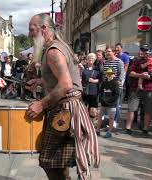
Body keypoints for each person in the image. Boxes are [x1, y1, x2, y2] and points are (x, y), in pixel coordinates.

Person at [26, 13, 99, 180]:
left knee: (49, 160)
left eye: (32, 30)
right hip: (68, 108)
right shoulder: (60, 46)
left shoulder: (53, 51)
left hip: (64, 109)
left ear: (44, 29)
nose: (30, 34)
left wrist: (41, 105)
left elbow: (66, 84)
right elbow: (64, 79)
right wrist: (42, 81)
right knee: (59, 161)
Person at [125, 45, 152, 136]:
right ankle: (128, 128)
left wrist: (150, 75)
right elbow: (130, 73)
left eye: (146, 51)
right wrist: (141, 75)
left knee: (148, 110)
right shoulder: (136, 61)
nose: (144, 53)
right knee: (132, 108)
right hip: (136, 88)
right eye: (143, 51)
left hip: (150, 88)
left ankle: (145, 129)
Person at [96, 68, 119, 138]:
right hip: (103, 103)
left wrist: (109, 101)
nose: (109, 75)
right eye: (108, 73)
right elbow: (100, 92)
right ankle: (97, 130)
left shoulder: (116, 83)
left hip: (111, 105)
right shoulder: (104, 82)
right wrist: (102, 100)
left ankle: (109, 132)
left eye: (111, 74)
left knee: (111, 118)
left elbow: (117, 94)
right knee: (100, 117)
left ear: (114, 74)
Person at [81, 53, 100, 122]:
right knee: (84, 106)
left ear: (94, 60)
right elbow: (81, 78)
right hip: (85, 89)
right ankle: (84, 120)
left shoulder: (97, 68)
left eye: (92, 58)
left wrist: (94, 80)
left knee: (92, 106)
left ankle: (92, 121)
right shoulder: (83, 67)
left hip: (93, 90)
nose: (90, 60)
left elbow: (100, 79)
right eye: (89, 58)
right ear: (87, 59)